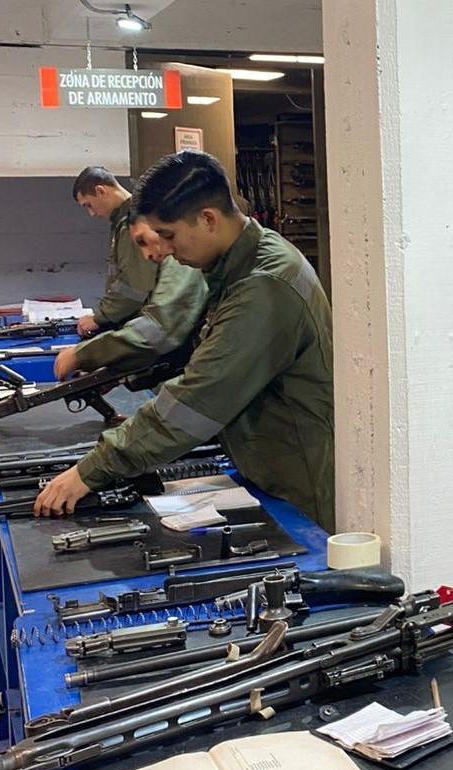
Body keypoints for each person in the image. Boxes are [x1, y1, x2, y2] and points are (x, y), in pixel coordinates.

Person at [37, 150, 335, 532]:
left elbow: (200, 395)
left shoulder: (263, 286)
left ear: (207, 219)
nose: (164, 251)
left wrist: (90, 471)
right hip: (270, 465)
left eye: (169, 235)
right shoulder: (236, 266)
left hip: (297, 490)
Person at [53, 213, 208, 379]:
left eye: (143, 241)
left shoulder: (183, 262)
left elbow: (160, 329)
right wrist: (119, 374)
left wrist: (83, 354)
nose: (146, 255)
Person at [72, 166, 159, 337]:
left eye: (89, 204)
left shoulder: (132, 223)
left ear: (101, 191)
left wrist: (99, 318)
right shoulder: (123, 222)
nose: (91, 213)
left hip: (144, 330)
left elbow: (134, 285)